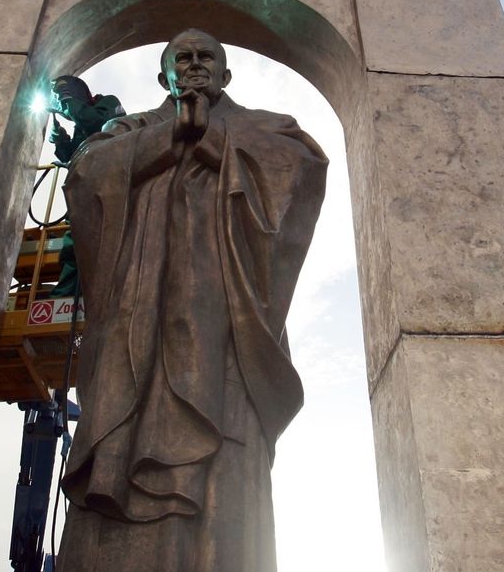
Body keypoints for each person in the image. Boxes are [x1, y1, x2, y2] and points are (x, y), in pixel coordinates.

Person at [55, 30, 328, 572]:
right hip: (139, 327)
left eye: (208, 57)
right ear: (164, 78)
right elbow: (86, 174)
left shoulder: (266, 129)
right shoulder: (129, 131)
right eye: (183, 58)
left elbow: (301, 170)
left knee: (227, 462)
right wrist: (166, 142)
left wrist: (213, 144)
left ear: (226, 75)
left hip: (228, 327)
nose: (196, 64)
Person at [45, 76, 123, 298]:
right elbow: (74, 157)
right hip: (84, 188)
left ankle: (107, 294)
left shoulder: (108, 103)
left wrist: (66, 102)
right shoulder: (81, 126)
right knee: (76, 242)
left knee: (103, 244)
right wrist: (62, 142)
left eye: (66, 97)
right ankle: (68, 295)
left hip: (108, 185)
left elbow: (96, 122)